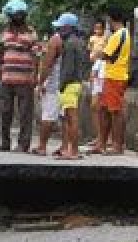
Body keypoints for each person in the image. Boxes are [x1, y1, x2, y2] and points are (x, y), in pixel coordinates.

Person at [0, 0, 39, 153]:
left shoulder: (31, 33)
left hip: (25, 78)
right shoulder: (4, 32)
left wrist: (35, 74)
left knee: (25, 113)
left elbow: (36, 55)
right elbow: (0, 51)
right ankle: (4, 143)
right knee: (5, 111)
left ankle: (23, 144)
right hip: (6, 78)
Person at [92, 8, 132, 155]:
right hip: (111, 75)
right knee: (104, 109)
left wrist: (96, 52)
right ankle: (101, 143)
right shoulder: (124, 34)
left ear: (112, 19)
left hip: (116, 76)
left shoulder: (118, 35)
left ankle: (117, 146)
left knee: (115, 111)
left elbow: (106, 54)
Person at [52, 13, 87, 160]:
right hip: (74, 83)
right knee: (69, 118)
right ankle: (71, 150)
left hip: (70, 84)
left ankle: (73, 151)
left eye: (61, 28)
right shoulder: (77, 42)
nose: (59, 31)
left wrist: (62, 85)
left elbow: (68, 68)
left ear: (68, 28)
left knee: (71, 118)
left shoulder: (70, 44)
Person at [33, 26, 63, 156]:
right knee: (66, 117)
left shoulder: (55, 41)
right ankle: (65, 146)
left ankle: (42, 146)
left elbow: (48, 64)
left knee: (47, 116)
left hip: (53, 84)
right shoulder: (75, 41)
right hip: (67, 83)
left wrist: (40, 82)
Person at [86, 19, 107, 148]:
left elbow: (101, 54)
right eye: (96, 28)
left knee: (99, 107)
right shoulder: (92, 39)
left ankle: (103, 138)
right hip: (96, 67)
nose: (97, 30)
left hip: (102, 71)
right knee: (95, 107)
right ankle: (99, 136)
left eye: (100, 28)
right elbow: (91, 52)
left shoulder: (106, 39)